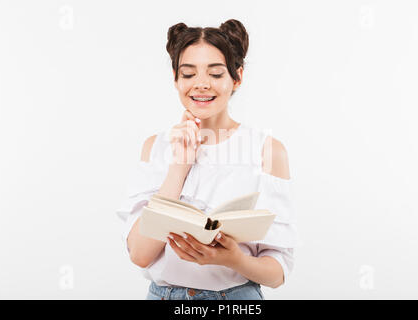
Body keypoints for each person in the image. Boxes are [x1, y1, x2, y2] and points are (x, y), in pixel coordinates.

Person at [116, 19, 300, 300]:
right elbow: (140, 255)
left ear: (236, 77)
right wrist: (179, 165)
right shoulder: (155, 147)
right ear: (176, 79)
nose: (201, 84)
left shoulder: (267, 150)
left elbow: (277, 273)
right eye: (188, 74)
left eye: (215, 74)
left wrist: (231, 259)